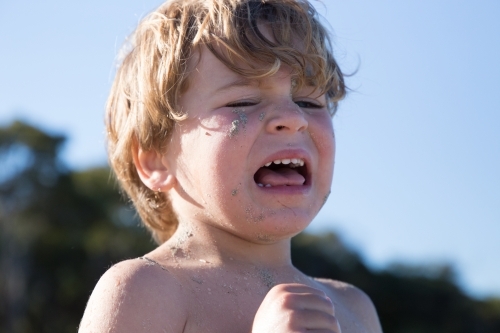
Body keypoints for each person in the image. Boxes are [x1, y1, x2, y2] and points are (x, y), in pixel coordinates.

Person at [79, 0, 383, 332]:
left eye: (309, 102)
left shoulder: (353, 309)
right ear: (155, 159)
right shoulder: (147, 289)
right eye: (243, 101)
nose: (294, 119)